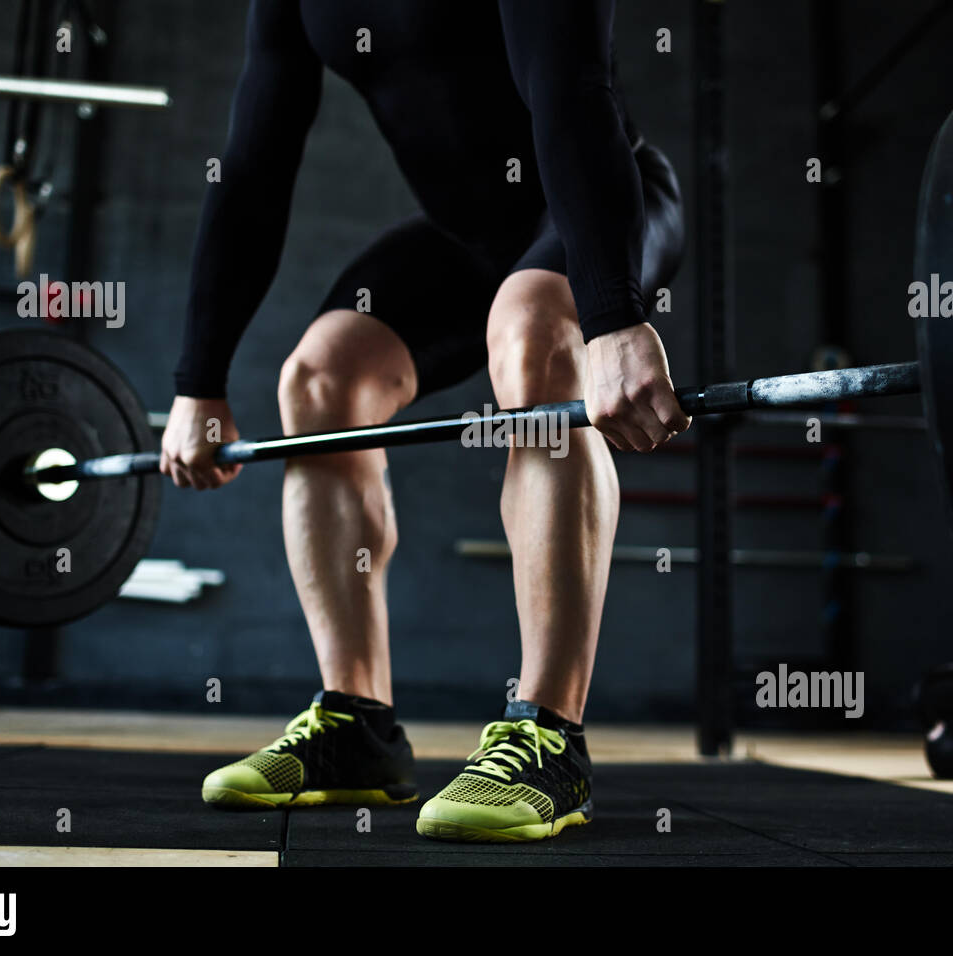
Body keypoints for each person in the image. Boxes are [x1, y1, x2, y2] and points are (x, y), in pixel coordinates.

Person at [164, 0, 687, 842]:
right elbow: (254, 165)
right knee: (321, 377)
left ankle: (549, 735)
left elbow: (569, 87)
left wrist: (612, 316)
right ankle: (357, 728)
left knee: (532, 331)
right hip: (466, 237)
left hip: (595, 198)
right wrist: (199, 383)